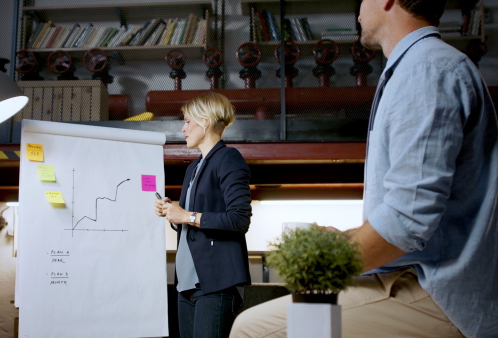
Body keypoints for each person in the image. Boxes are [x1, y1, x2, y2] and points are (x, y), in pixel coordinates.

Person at [230, 0, 498, 337]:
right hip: (412, 277)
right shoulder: (420, 67)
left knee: (251, 329)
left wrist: (323, 260)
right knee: (311, 324)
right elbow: (409, 212)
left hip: (438, 292)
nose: (358, 10)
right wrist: (344, 238)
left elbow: (406, 221)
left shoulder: (426, 70)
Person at [154, 92, 252, 337]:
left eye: (188, 121)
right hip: (186, 284)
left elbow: (239, 219)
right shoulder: (194, 168)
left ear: (206, 121)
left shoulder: (228, 158)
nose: (183, 128)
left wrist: (186, 216)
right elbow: (190, 221)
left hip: (216, 282)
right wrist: (172, 213)